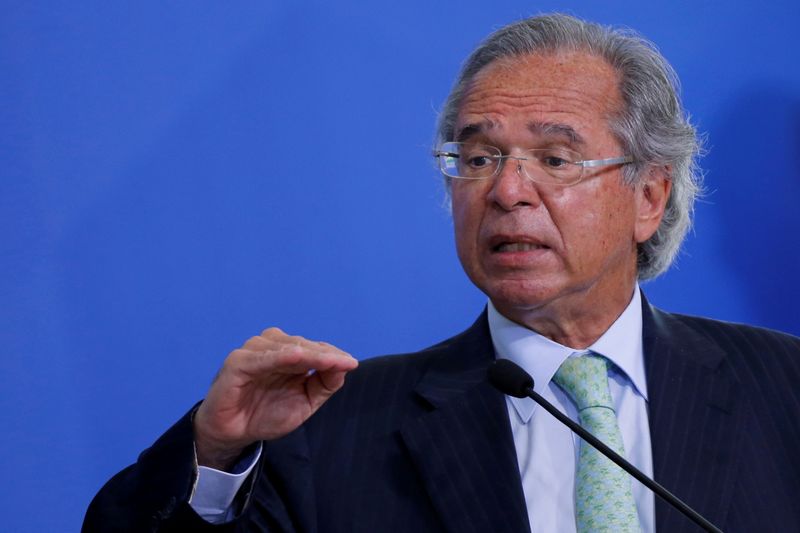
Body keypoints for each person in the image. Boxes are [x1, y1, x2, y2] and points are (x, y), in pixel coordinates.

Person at [84, 13, 800, 533]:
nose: (507, 191)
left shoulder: (785, 390)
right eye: (479, 158)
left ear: (649, 195)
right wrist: (214, 453)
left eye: (555, 159)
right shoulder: (330, 427)